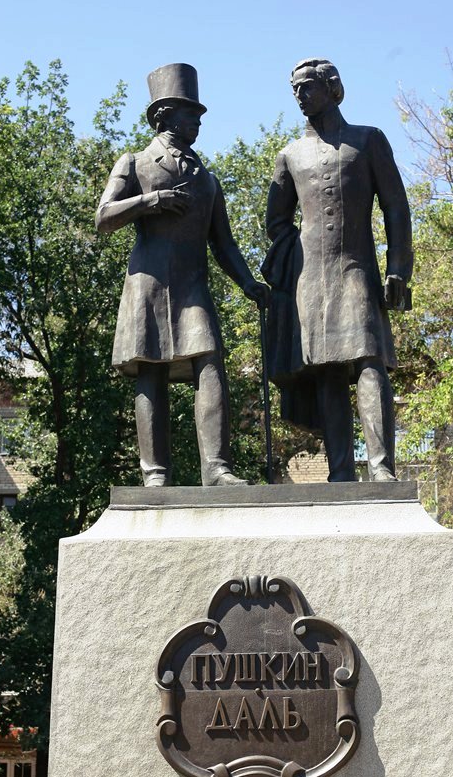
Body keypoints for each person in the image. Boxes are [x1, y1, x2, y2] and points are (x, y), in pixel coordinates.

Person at [96, 63, 268, 486]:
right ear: (165, 115)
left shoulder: (208, 180)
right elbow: (103, 218)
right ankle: (155, 473)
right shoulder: (135, 163)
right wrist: (149, 201)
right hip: (149, 284)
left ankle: (217, 469)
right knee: (151, 370)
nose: (199, 122)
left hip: (193, 286)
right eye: (192, 113)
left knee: (210, 364)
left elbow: (224, 244)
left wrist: (248, 283)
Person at [263, 58, 413, 482]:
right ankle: (341, 472)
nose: (300, 95)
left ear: (332, 88)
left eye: (307, 86)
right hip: (311, 280)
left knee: (369, 360)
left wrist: (398, 267)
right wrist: (295, 260)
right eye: (295, 88)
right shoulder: (290, 155)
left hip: (357, 270)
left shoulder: (368, 141)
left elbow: (396, 207)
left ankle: (381, 468)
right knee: (326, 370)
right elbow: (276, 222)